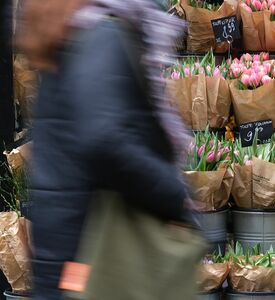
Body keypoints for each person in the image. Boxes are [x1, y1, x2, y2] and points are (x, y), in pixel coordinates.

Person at [16, 0, 194, 298]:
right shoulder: (102, 33)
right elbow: (105, 141)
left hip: (65, 247)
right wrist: (174, 194)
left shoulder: (63, 38)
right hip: (98, 249)